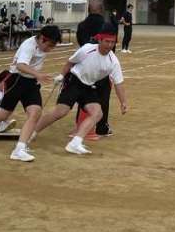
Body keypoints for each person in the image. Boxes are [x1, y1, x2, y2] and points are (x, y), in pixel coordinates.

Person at [0, 24, 62, 162]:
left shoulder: (42, 45)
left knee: (35, 113)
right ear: (42, 39)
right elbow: (20, 65)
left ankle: (19, 149)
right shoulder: (29, 45)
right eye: (49, 45)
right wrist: (38, 75)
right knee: (3, 114)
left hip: (31, 82)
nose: (50, 49)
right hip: (16, 80)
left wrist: (36, 76)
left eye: (53, 46)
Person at [32, 23, 127, 155]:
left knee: (97, 113)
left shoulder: (113, 61)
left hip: (89, 86)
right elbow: (70, 62)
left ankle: (75, 143)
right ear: (99, 39)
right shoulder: (87, 49)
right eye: (107, 41)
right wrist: (61, 75)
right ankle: (32, 131)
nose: (110, 45)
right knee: (61, 111)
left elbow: (118, 83)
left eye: (112, 42)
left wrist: (123, 102)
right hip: (74, 81)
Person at [76, 0, 112, 136]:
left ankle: (80, 124)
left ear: (88, 10)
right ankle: (101, 127)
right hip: (102, 66)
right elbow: (111, 46)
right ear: (101, 10)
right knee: (103, 96)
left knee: (83, 95)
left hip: (85, 66)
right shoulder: (107, 25)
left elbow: (81, 45)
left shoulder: (81, 25)